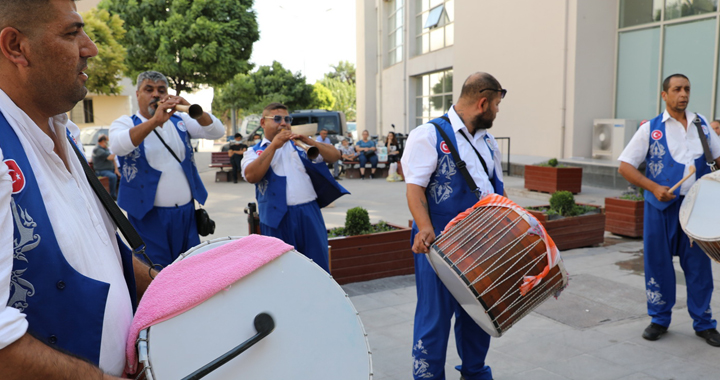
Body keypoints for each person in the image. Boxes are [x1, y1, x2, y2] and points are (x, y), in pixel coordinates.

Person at [0, 1, 155, 378]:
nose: (91, 47)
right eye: (72, 33)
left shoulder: (63, 131)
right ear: (16, 47)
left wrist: (175, 287)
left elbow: (96, 247)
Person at [402, 72, 506, 380]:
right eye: (497, 105)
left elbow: (495, 188)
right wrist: (423, 227)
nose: (497, 112)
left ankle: (474, 373)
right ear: (482, 102)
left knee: (478, 317)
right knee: (433, 319)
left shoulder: (488, 141)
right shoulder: (427, 134)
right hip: (439, 247)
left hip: (481, 245)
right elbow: (414, 188)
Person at [618, 73, 720, 347]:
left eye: (687, 89)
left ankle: (704, 323)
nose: (683, 94)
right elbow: (625, 166)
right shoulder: (650, 129)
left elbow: (719, 160)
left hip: (698, 210)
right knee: (658, 264)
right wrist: (652, 187)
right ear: (665, 95)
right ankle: (659, 319)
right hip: (660, 209)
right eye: (677, 89)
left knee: (699, 268)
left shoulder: (702, 127)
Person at [110, 71, 225, 267]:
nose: (155, 95)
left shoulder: (180, 121)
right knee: (155, 272)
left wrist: (190, 108)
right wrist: (154, 121)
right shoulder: (126, 123)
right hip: (147, 217)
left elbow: (217, 132)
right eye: (149, 90)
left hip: (186, 215)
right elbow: (119, 146)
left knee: (190, 267)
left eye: (161, 90)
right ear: (138, 94)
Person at [241, 103, 349, 272]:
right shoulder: (253, 151)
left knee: (317, 266)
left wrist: (310, 142)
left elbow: (335, 156)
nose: (283, 123)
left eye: (287, 119)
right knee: (281, 270)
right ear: (263, 123)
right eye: (277, 119)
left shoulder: (300, 145)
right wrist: (274, 145)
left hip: (308, 212)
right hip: (275, 218)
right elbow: (251, 176)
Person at [92, 134, 120, 200]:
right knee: (112, 176)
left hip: (110, 170)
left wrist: (116, 169)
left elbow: (113, 160)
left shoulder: (105, 149)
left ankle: (120, 195)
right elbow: (110, 157)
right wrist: (117, 150)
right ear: (102, 141)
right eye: (106, 141)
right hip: (101, 171)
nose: (107, 143)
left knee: (122, 175)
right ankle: (112, 196)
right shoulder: (98, 149)